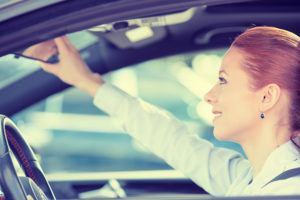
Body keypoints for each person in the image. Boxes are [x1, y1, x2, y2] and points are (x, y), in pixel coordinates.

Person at [39, 26, 300, 196]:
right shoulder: (249, 178)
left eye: (223, 80)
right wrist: (86, 81)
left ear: (267, 97)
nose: (209, 96)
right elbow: (174, 141)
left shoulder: (286, 190)